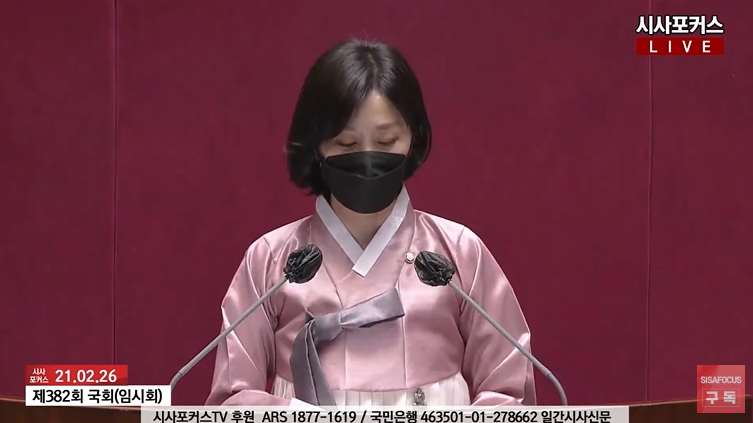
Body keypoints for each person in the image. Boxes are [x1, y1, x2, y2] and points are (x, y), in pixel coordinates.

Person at [206, 39, 535, 408]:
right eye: (347, 143)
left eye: (386, 140)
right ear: (316, 145)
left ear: (413, 138)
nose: (367, 157)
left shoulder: (458, 253)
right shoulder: (271, 260)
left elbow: (510, 394)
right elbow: (232, 400)